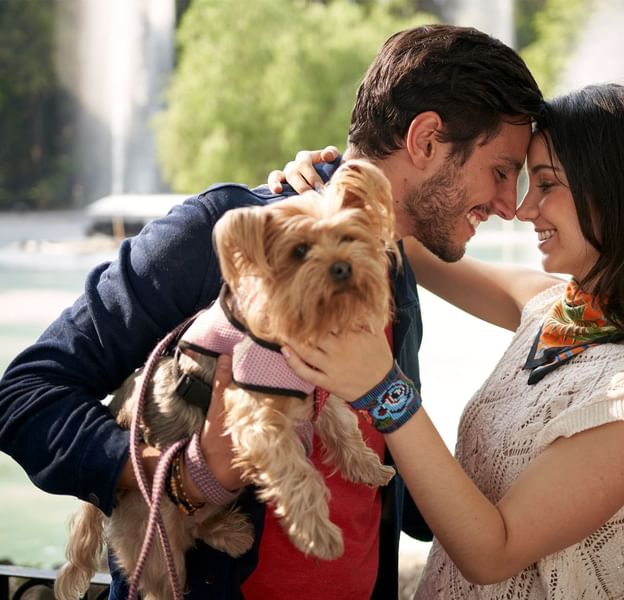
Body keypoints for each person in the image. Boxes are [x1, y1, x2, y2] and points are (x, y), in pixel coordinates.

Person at [0, 24, 542, 600]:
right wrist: (179, 474)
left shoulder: (396, 267)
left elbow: (386, 486)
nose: (510, 205)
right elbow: (25, 397)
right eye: (502, 171)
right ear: (427, 139)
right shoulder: (221, 229)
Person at [275, 83, 624, 598]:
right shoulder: (554, 308)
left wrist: (382, 387)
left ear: (622, 196)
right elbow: (408, 233)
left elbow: (491, 553)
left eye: (545, 184)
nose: (523, 210)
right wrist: (334, 179)